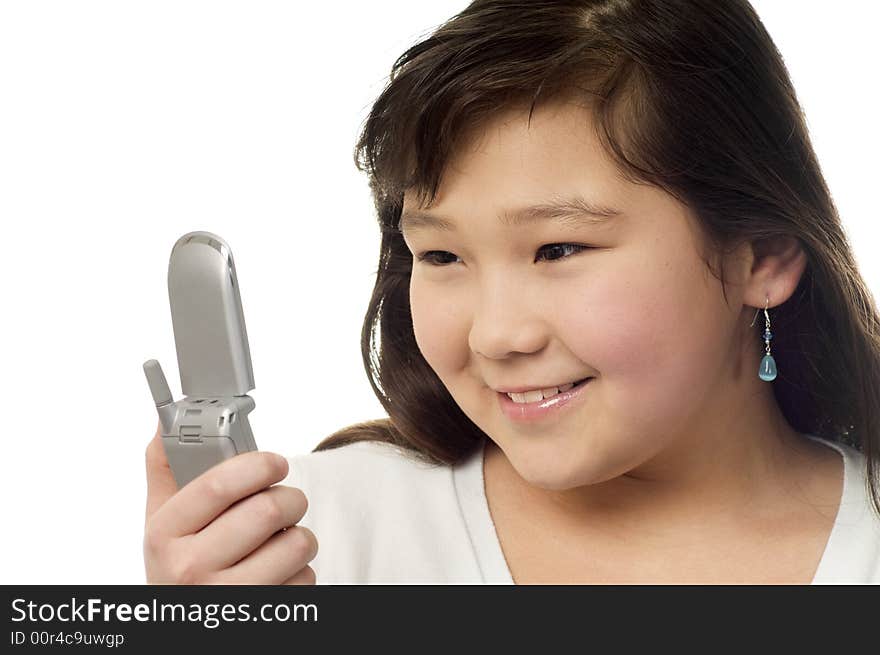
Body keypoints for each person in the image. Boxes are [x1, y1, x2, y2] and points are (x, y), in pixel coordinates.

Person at [143, 0, 880, 584]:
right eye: (439, 254)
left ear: (766, 255)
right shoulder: (302, 537)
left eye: (558, 248)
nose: (495, 335)